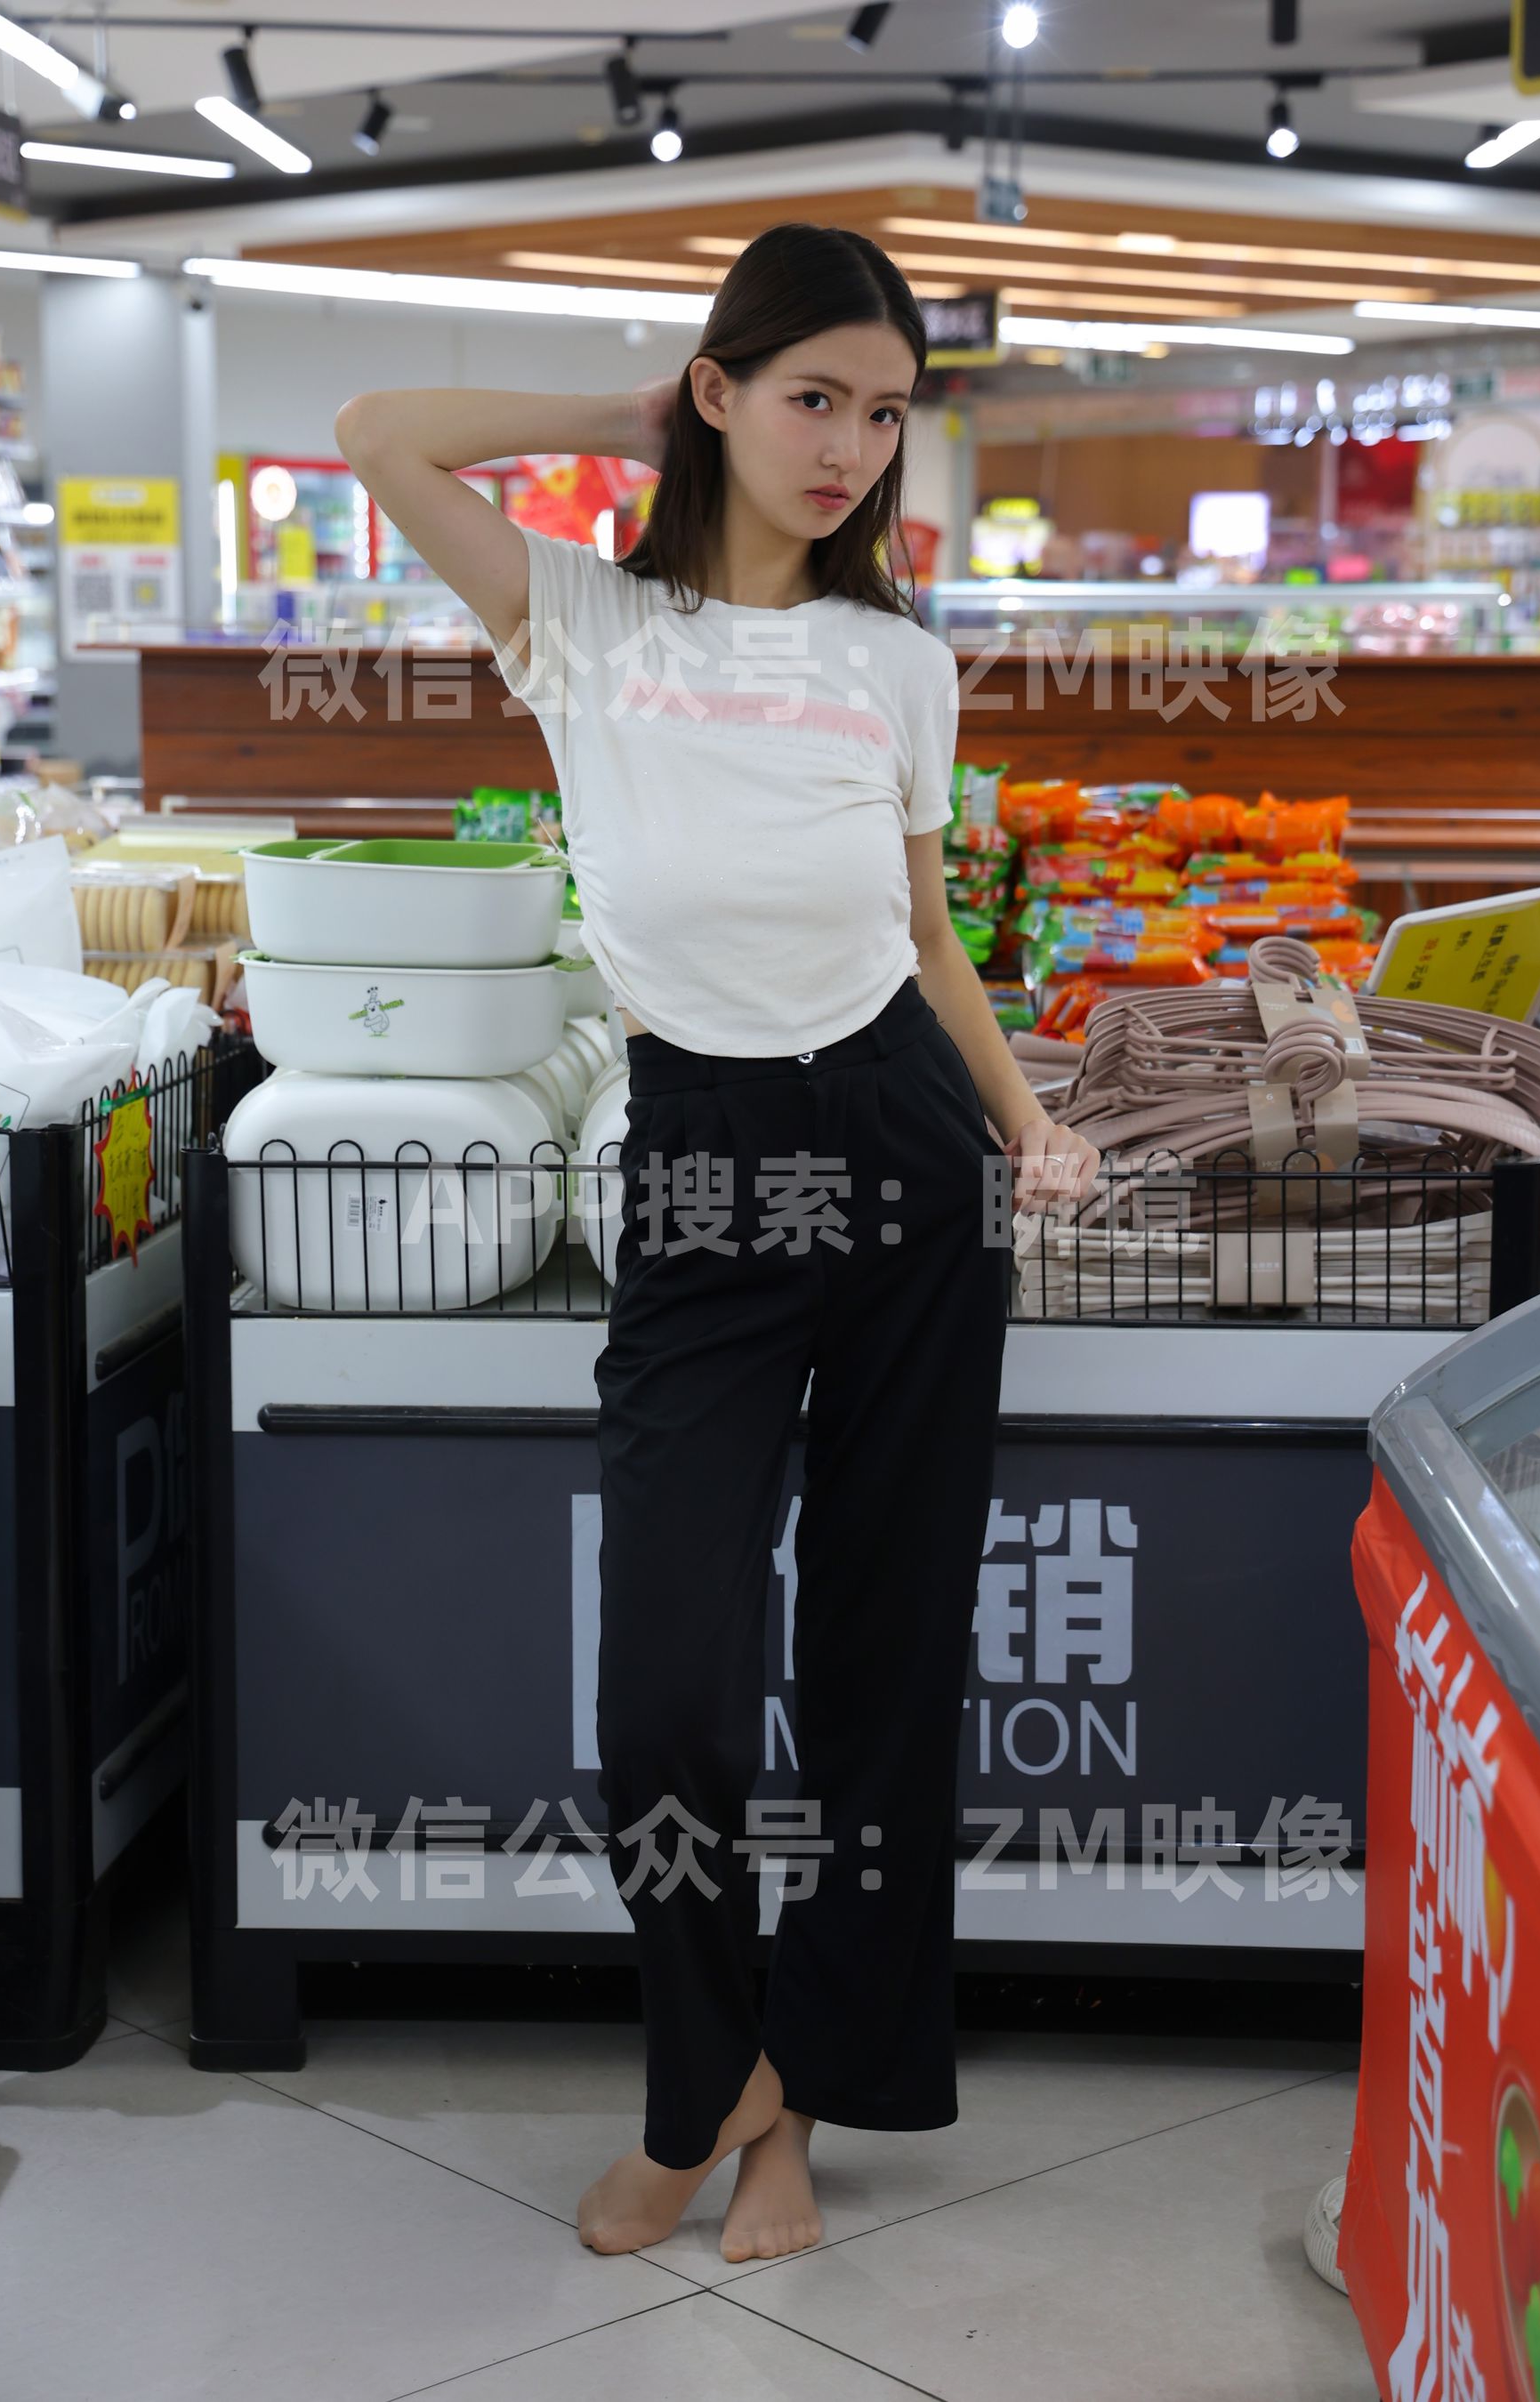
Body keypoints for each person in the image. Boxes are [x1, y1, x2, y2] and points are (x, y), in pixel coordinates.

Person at [336, 220, 1099, 2268]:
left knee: (882, 1662)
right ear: (722, 390)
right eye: (811, 396)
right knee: (671, 1684)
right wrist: (634, 409)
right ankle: (712, 2079)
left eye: (886, 413)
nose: (849, 447)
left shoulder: (900, 660)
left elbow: (927, 934)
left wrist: (1028, 1122)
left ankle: (799, 2119)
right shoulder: (585, 620)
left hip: (907, 1152)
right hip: (701, 1160)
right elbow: (379, 431)